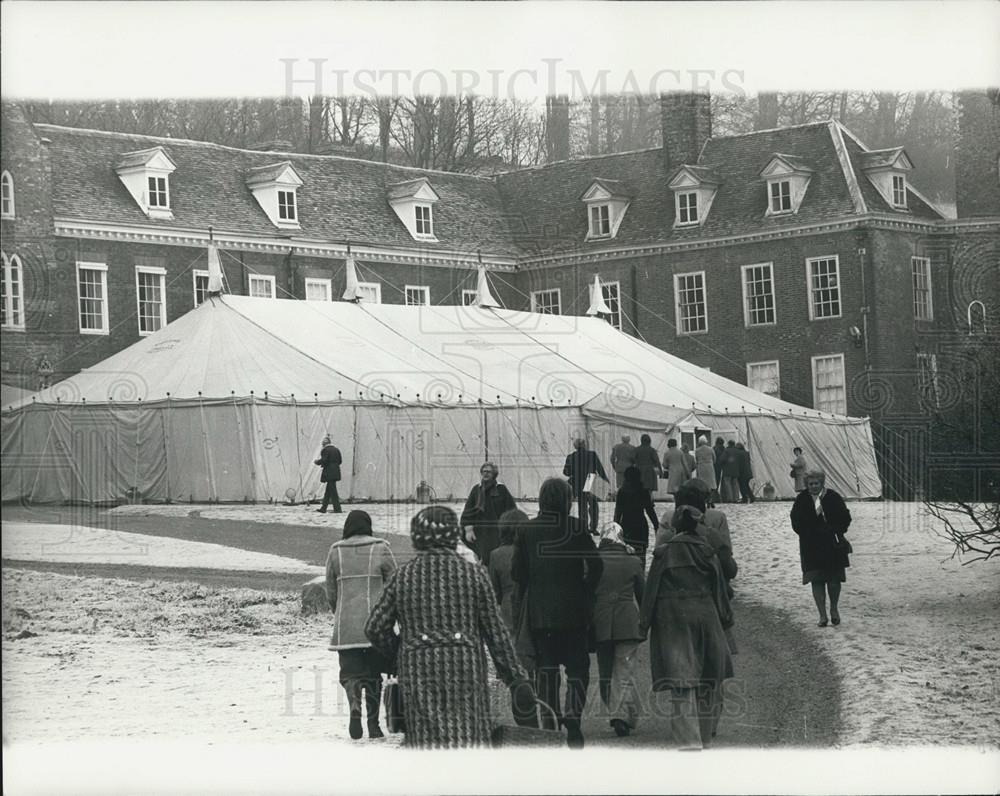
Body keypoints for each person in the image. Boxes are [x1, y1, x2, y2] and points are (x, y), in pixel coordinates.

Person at [364, 506, 535, 748]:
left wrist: (400, 654)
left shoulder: (402, 577)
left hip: (418, 672)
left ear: (417, 538)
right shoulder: (474, 576)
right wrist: (516, 679)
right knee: (468, 738)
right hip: (466, 670)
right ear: (454, 535)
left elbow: (375, 627)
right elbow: (496, 635)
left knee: (425, 744)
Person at [640, 486, 736, 749]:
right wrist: (727, 619)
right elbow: (720, 586)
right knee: (708, 677)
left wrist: (644, 623)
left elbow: (651, 589)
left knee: (681, 681)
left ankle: (688, 741)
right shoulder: (708, 550)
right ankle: (705, 738)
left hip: (672, 620)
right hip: (706, 616)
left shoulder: (663, 552)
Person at [512, 478, 604, 748]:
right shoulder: (576, 527)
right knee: (578, 670)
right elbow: (596, 565)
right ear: (567, 500)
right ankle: (573, 715)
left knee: (547, 674)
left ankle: (550, 726)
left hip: (541, 615)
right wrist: (586, 590)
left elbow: (518, 573)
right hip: (575, 612)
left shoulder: (526, 530)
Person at [324, 510, 397, 740]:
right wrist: (390, 615)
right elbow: (394, 582)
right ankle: (373, 724)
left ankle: (354, 706)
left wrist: (340, 612)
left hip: (347, 626)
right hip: (375, 624)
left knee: (350, 673)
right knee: (374, 674)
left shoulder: (336, 551)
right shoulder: (381, 548)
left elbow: (330, 590)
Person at [656, 479, 738, 653]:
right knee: (715, 659)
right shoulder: (716, 519)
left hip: (675, 602)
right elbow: (728, 565)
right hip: (709, 599)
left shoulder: (668, 519)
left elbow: (658, 559)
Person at [593, 521, 645, 737]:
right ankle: (622, 715)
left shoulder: (594, 561)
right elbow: (643, 595)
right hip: (627, 621)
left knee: (605, 673)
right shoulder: (633, 562)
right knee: (624, 671)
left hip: (600, 622)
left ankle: (619, 714)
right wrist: (646, 623)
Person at [790, 469, 852, 627]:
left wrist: (834, 529)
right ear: (806, 485)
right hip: (811, 546)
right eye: (810, 484)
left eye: (816, 483)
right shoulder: (802, 499)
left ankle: (834, 610)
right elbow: (795, 521)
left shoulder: (832, 497)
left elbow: (845, 517)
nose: (813, 486)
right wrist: (808, 532)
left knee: (833, 580)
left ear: (822, 483)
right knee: (816, 580)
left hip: (832, 545)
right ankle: (822, 615)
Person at [460, 461, 517, 566]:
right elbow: (468, 510)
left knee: (496, 558)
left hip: (497, 531)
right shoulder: (476, 489)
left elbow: (511, 510)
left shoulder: (501, 489)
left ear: (494, 474)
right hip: (480, 531)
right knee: (483, 558)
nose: (485, 474)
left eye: (489, 472)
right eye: (484, 471)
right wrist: (468, 529)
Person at [488, 508, 528, 640]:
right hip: (528, 602)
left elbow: (494, 590)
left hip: (507, 606)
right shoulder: (530, 550)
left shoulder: (496, 554)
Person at [563, 438, 609, 535]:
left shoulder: (571, 457)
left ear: (575, 446)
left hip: (578, 482)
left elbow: (566, 472)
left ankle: (583, 527)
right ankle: (593, 527)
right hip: (591, 480)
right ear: (584, 445)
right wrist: (605, 479)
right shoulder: (592, 454)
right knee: (593, 505)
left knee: (582, 506)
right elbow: (599, 468)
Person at [613, 465, 658, 562]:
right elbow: (650, 511)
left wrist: (615, 527)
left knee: (626, 554)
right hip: (640, 525)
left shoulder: (622, 492)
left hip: (626, 524)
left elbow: (618, 512)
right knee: (641, 556)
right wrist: (656, 525)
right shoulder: (643, 491)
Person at [314, 435, 343, 513]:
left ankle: (337, 509)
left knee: (333, 491)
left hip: (329, 472)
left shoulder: (325, 450)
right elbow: (340, 461)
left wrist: (317, 462)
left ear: (324, 444)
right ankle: (324, 508)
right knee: (329, 491)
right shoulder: (336, 449)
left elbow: (324, 460)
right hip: (336, 471)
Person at [694, 436, 717, 502]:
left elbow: (696, 459)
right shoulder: (710, 449)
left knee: (702, 483)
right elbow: (714, 458)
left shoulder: (697, 450)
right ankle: (710, 498)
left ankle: (703, 498)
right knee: (711, 483)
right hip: (709, 466)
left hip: (701, 467)